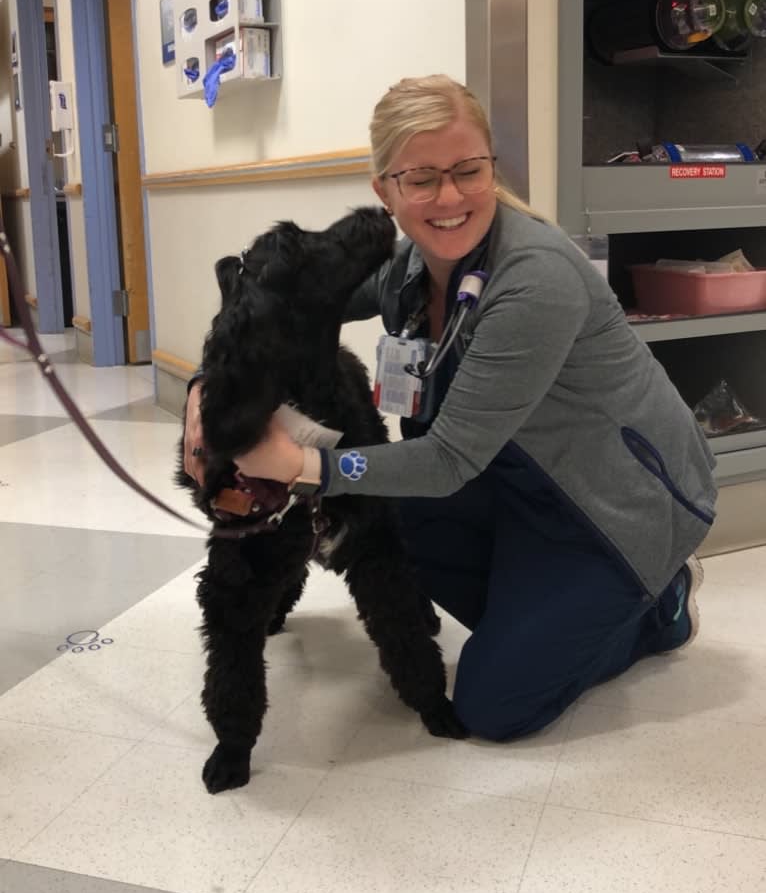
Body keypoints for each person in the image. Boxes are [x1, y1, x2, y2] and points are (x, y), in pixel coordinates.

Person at [184, 74, 717, 741]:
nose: (450, 196)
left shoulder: (535, 281)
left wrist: (308, 467)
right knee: (391, 528)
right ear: (385, 190)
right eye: (422, 178)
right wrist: (206, 388)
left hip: (614, 505)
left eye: (469, 171)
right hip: (516, 480)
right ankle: (552, 608)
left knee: (495, 705)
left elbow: (447, 460)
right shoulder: (408, 271)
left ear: (492, 168)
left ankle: (655, 607)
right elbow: (277, 311)